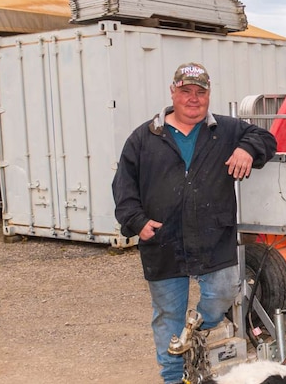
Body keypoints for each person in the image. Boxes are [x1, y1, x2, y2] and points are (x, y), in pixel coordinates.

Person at [112, 62, 277, 384]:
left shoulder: (227, 130)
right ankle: (174, 379)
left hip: (214, 237)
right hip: (162, 239)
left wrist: (246, 148)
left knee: (223, 292)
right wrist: (136, 221)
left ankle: (197, 334)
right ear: (173, 92)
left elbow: (265, 138)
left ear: (208, 95)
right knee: (168, 316)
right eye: (186, 91)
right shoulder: (144, 137)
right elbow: (124, 185)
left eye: (200, 92)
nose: (193, 98)